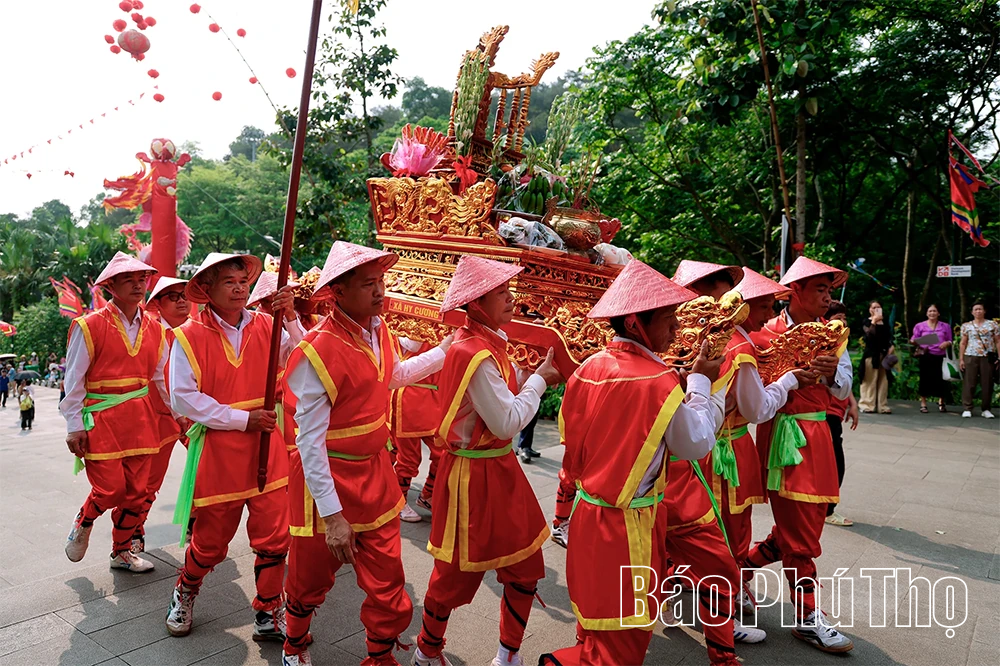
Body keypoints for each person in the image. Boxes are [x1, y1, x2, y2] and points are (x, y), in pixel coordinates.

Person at [540, 260, 730, 666]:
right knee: (622, 646)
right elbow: (695, 442)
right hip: (626, 527)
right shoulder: (657, 380)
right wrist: (702, 383)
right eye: (667, 318)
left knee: (600, 630)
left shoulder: (588, 367)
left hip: (589, 514)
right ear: (633, 322)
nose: (677, 327)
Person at [281, 241, 450, 666]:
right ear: (337, 291)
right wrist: (333, 516)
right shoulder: (317, 350)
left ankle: (379, 658)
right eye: (368, 284)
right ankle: (293, 645)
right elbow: (309, 442)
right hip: (327, 481)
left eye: (381, 282)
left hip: (375, 474)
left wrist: (447, 349)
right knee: (309, 581)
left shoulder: (381, 331)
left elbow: (394, 375)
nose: (379, 292)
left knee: (389, 581)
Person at [413, 255, 563, 666]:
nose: (511, 298)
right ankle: (426, 651)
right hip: (472, 475)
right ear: (477, 303)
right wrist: (539, 381)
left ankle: (507, 655)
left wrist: (529, 374)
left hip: (499, 468)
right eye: (501, 293)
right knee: (453, 575)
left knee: (526, 567)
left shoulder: (486, 344)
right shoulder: (474, 353)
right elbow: (506, 422)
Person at [166, 253, 304, 641]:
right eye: (229, 281)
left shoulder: (267, 324)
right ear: (207, 289)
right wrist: (243, 419)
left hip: (267, 445)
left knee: (275, 537)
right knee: (210, 544)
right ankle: (185, 589)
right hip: (220, 450)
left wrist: (290, 317)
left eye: (244, 281)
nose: (240, 288)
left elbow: (305, 357)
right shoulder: (188, 335)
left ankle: (268, 609)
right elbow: (183, 398)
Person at [745, 256, 854, 653]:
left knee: (806, 523)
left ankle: (738, 568)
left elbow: (844, 388)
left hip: (819, 433)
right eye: (820, 289)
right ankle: (807, 616)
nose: (827, 297)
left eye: (829, 290)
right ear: (796, 291)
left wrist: (830, 371)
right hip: (782, 436)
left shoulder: (833, 334)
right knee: (802, 534)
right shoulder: (764, 333)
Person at [669, 259, 764, 655]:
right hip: (706, 451)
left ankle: (673, 601)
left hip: (683, 454)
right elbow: (754, 408)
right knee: (724, 538)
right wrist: (788, 383)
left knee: (686, 536)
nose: (726, 307)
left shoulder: (680, 343)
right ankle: (726, 620)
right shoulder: (727, 347)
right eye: (719, 296)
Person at [60, 252, 168, 573]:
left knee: (137, 494)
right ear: (110, 286)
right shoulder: (89, 325)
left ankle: (121, 552)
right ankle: (84, 520)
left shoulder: (156, 328)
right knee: (110, 490)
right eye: (128, 280)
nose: (138, 285)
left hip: (141, 419)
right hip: (103, 419)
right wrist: (74, 425)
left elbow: (162, 379)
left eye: (141, 279)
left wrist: (181, 413)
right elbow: (73, 380)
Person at [131, 277, 192, 553]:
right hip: (157, 417)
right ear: (157, 303)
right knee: (147, 481)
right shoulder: (150, 332)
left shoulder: (200, 330)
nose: (182, 300)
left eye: (184, 294)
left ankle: (197, 523)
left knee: (207, 469)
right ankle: (133, 531)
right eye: (173, 296)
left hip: (196, 414)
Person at [391, 336, 445, 523]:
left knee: (443, 452)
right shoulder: (409, 327)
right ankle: (398, 502)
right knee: (408, 458)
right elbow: (411, 344)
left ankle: (428, 494)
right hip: (410, 397)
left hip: (433, 397)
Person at [824, 301, 859, 527]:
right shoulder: (824, 340)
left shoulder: (840, 342)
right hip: (824, 410)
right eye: (838, 318)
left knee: (835, 459)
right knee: (834, 461)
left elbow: (844, 379)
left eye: (844, 318)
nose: (843, 322)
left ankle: (826, 507)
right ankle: (827, 509)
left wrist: (852, 403)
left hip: (836, 409)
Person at [909, 304, 954, 413]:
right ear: (926, 313)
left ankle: (941, 402)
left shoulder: (945, 326)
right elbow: (913, 340)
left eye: (934, 311)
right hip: (926, 355)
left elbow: (950, 340)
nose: (932, 313)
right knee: (925, 379)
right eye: (930, 311)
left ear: (938, 313)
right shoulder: (920, 326)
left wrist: (946, 343)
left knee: (942, 379)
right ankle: (923, 403)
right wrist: (918, 341)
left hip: (940, 356)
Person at [959, 302, 1000, 419]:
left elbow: (997, 341)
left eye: (980, 309)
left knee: (987, 383)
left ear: (984, 311)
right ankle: (967, 408)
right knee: (969, 382)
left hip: (987, 356)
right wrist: (961, 359)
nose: (978, 311)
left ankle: (986, 409)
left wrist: (999, 357)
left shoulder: (992, 325)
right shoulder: (966, 326)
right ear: (972, 312)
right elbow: (963, 343)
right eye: (975, 309)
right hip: (970, 355)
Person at [859, 300, 893, 414]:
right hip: (871, 355)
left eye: (878, 307)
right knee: (869, 380)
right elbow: (869, 336)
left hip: (884, 355)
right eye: (873, 307)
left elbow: (889, 337)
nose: (876, 309)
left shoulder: (885, 322)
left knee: (883, 381)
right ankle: (867, 405)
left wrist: (891, 346)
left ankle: (882, 406)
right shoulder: (866, 322)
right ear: (870, 310)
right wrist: (874, 321)